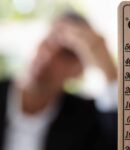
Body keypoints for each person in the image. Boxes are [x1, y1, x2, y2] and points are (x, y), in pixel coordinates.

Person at [0, 12, 117, 150]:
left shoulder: (84, 120)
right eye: (49, 40)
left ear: (79, 70)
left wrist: (108, 70)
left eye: (66, 53)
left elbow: (118, 139)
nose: (49, 56)